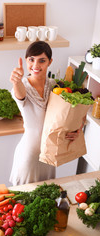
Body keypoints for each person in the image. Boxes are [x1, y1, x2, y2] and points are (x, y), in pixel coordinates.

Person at [9, 41, 83, 186]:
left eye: (42, 60)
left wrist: (77, 129)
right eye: (31, 60)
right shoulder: (22, 86)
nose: (35, 65)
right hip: (29, 155)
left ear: (50, 62)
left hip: (50, 154)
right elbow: (20, 95)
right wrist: (16, 82)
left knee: (46, 198)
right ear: (26, 61)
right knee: (24, 200)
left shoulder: (56, 86)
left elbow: (71, 114)